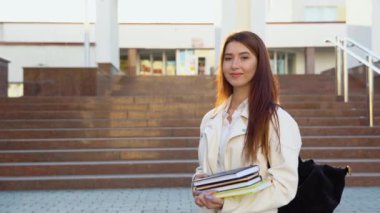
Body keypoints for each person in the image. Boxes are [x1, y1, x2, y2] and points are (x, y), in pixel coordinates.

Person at [192, 31, 302, 213]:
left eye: (244, 57)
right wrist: (200, 186)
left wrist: (228, 204)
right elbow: (205, 168)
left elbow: (284, 185)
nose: (234, 65)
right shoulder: (210, 119)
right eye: (228, 58)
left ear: (259, 63)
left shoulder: (277, 120)